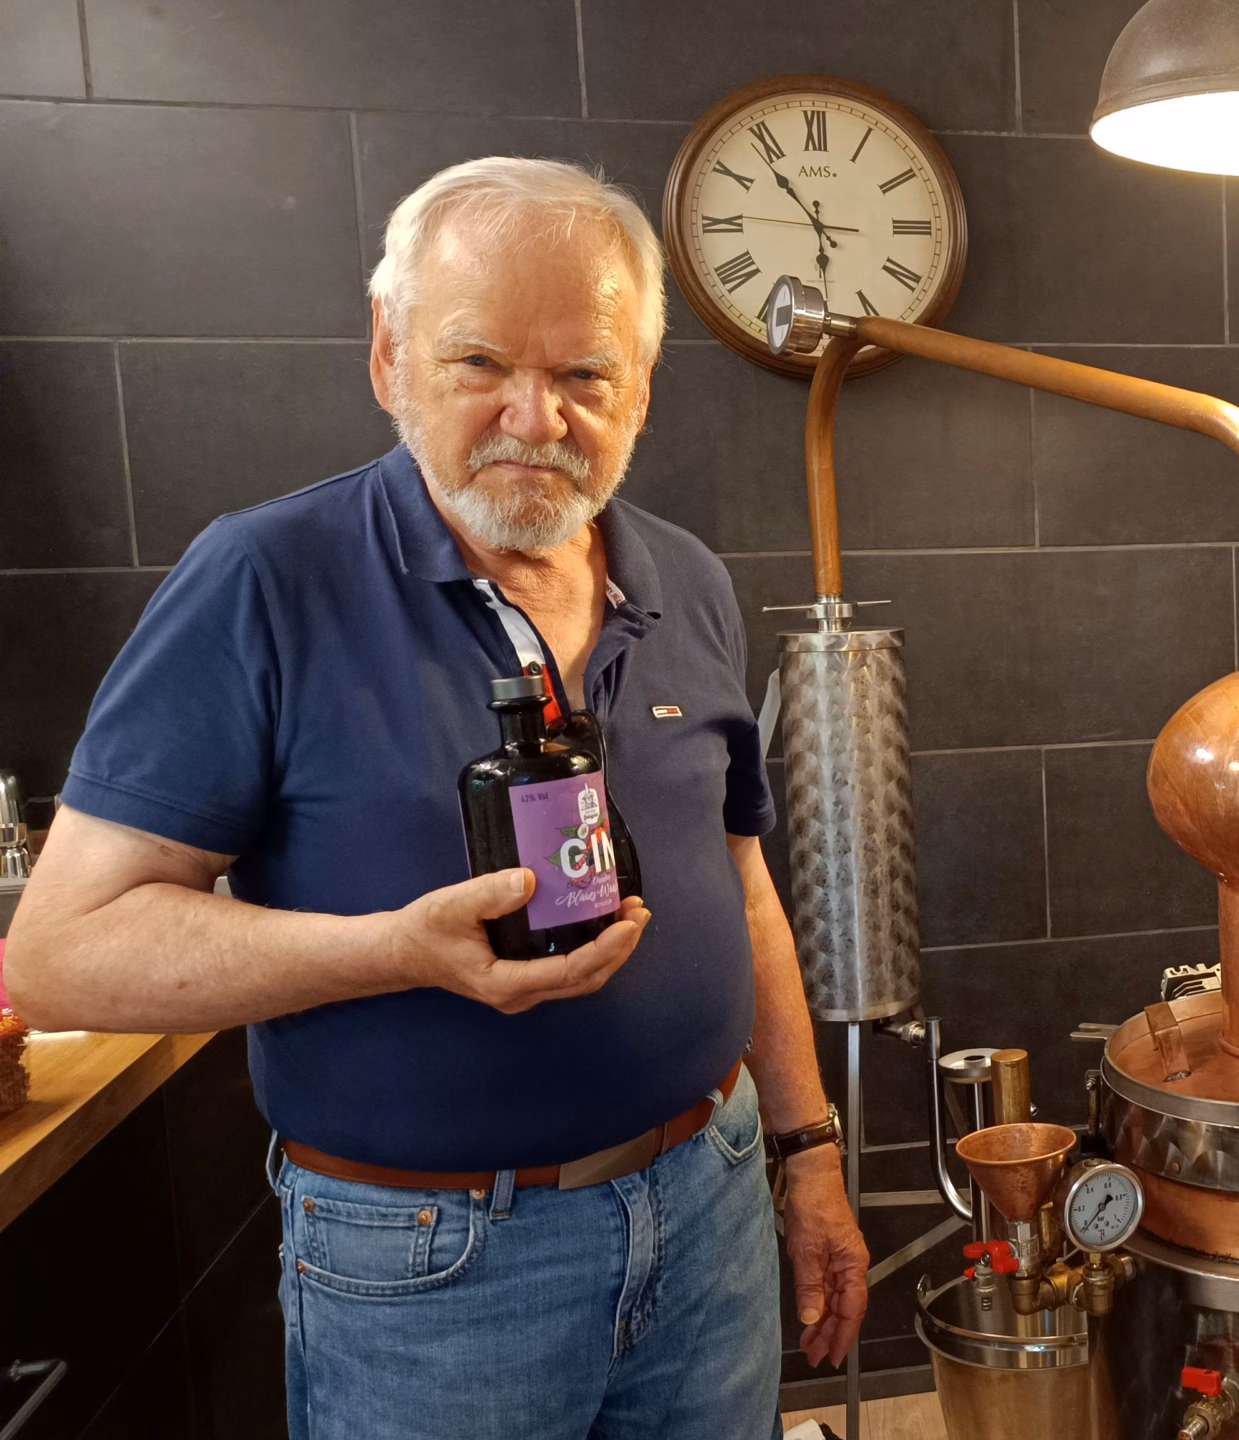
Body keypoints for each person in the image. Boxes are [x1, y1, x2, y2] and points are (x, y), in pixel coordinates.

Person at [6, 158, 864, 1439]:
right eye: (480, 366)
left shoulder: (683, 576)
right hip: (433, 1264)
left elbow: (738, 880)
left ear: (641, 387)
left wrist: (806, 1153)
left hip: (710, 1201)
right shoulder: (265, 580)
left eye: (586, 374)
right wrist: (392, 954)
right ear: (389, 356)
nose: (538, 417)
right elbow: (65, 954)